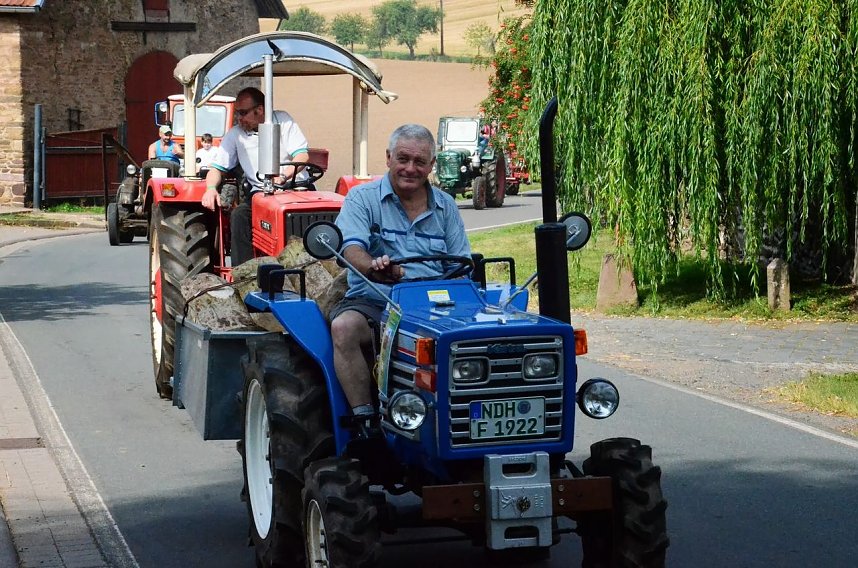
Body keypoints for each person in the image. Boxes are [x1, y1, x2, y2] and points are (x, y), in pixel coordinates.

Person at [329, 123, 471, 436]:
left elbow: (462, 262)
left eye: (420, 162)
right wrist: (374, 267)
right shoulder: (362, 199)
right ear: (389, 157)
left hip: (435, 305)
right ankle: (365, 420)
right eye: (403, 159)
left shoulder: (446, 206)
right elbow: (350, 247)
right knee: (344, 328)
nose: (410, 168)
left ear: (431, 166)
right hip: (376, 299)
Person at [202, 86, 310, 266]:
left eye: (243, 113)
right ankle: (245, 274)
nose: (239, 118)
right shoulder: (236, 134)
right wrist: (211, 188)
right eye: (238, 113)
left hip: (295, 187)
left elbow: (302, 156)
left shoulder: (283, 120)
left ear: (259, 110)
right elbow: (217, 168)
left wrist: (282, 176)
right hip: (261, 192)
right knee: (239, 215)